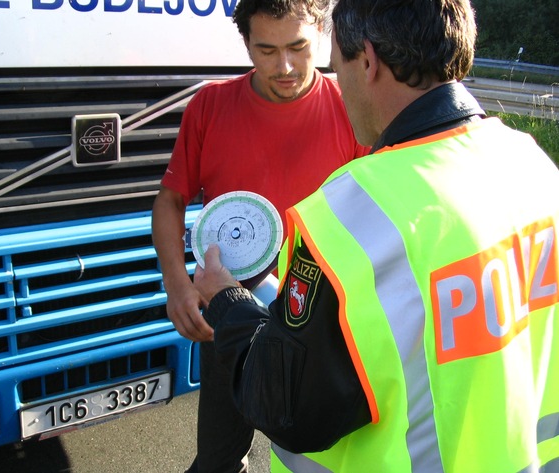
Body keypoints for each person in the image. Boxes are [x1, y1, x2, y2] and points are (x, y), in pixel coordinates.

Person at [192, 0, 559, 471]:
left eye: (336, 65)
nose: (337, 87)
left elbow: (283, 401)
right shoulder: (530, 163)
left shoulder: (352, 214)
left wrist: (226, 299)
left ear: (366, 60)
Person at [151, 0, 369, 469]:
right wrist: (176, 286)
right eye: (266, 50)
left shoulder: (355, 109)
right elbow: (169, 200)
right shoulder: (209, 105)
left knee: (312, 459)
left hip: (319, 320)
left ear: (323, 38)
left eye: (298, 47)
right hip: (227, 309)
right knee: (218, 459)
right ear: (246, 43)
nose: (285, 66)